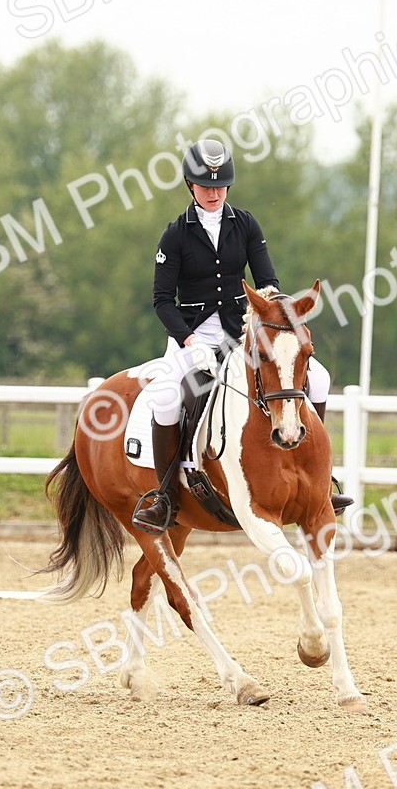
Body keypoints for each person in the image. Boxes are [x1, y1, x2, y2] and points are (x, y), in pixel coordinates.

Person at [133, 138, 352, 533]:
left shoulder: (246, 224)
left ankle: (319, 479)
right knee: (167, 397)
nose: (214, 192)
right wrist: (190, 341)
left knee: (317, 377)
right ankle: (163, 495)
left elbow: (268, 283)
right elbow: (163, 300)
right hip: (193, 334)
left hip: (243, 332)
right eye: (205, 185)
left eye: (220, 185)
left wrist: (274, 319)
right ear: (190, 185)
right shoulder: (175, 236)